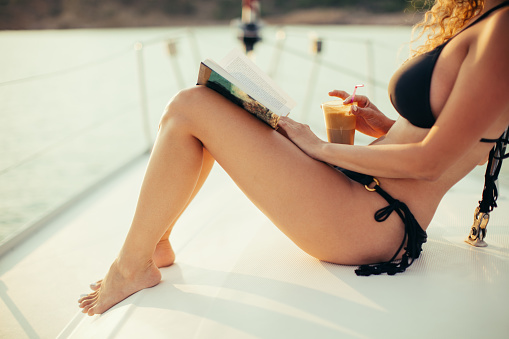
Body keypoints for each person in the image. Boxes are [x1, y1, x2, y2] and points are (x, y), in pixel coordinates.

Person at [78, 0, 509, 315]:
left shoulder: (504, 28)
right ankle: (157, 242)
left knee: (190, 106)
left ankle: (131, 266)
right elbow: (459, 140)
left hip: (373, 216)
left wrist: (319, 147)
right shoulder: (487, 18)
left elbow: (432, 163)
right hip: (366, 192)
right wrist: (382, 125)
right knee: (202, 105)